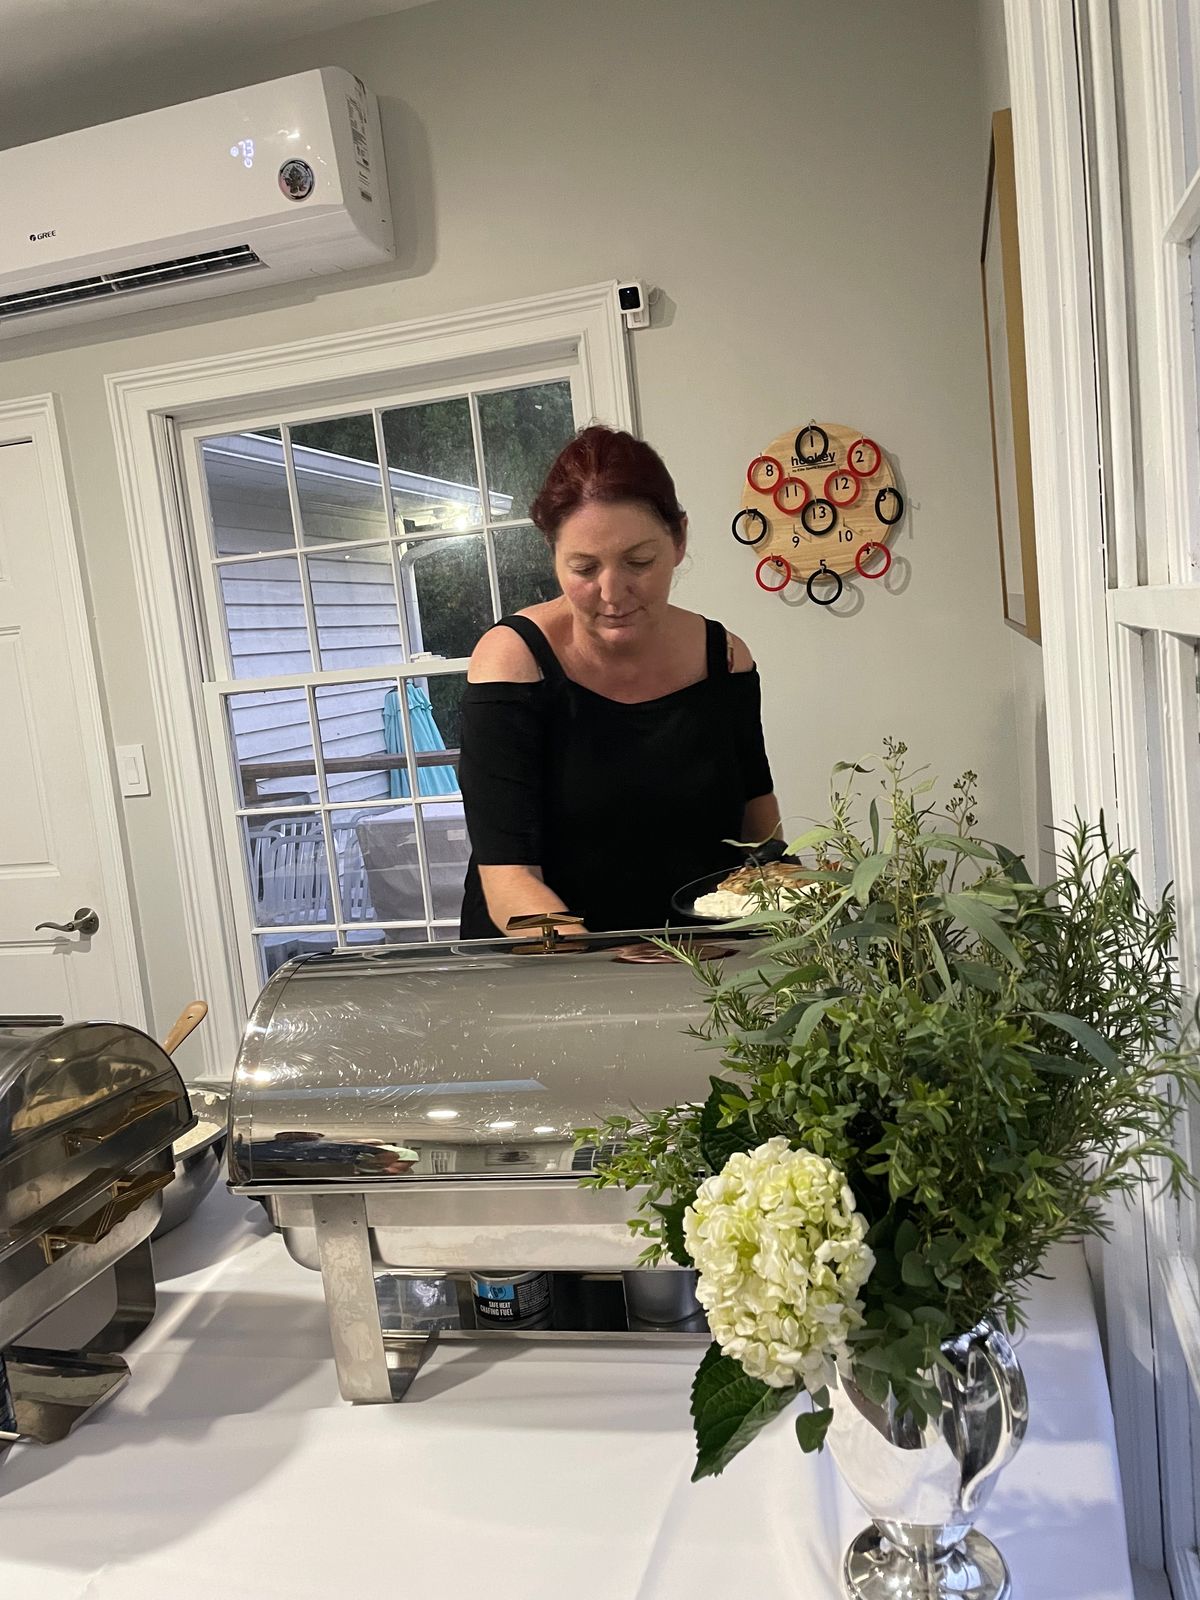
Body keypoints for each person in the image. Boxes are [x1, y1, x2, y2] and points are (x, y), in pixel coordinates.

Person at [457, 425, 780, 938]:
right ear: (553, 554)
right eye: (584, 568)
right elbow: (509, 879)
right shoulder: (513, 661)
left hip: (702, 960)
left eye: (639, 562)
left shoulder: (725, 659)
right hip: (546, 961)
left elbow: (761, 841)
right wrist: (605, 974)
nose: (612, 592)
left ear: (679, 540)